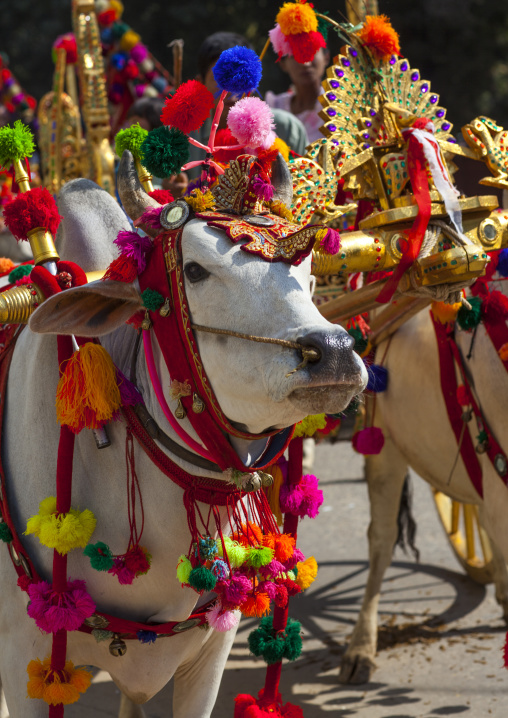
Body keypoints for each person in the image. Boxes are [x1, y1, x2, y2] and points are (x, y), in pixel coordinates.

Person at [186, 31, 308, 179]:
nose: (229, 89)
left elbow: (307, 182)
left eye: (239, 77)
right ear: (201, 83)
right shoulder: (184, 135)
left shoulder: (288, 128)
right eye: (220, 78)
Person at [265, 48, 330, 145]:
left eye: (311, 53)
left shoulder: (338, 106)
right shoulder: (274, 107)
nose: (305, 63)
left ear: (326, 58)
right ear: (283, 64)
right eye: (295, 56)